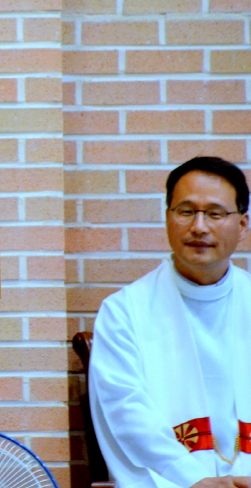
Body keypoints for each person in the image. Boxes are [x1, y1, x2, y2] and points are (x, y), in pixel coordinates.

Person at [90, 156, 251, 488]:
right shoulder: (124, 311)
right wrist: (193, 479)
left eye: (215, 214)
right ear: (167, 217)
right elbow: (125, 409)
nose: (199, 227)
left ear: (242, 224)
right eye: (186, 211)